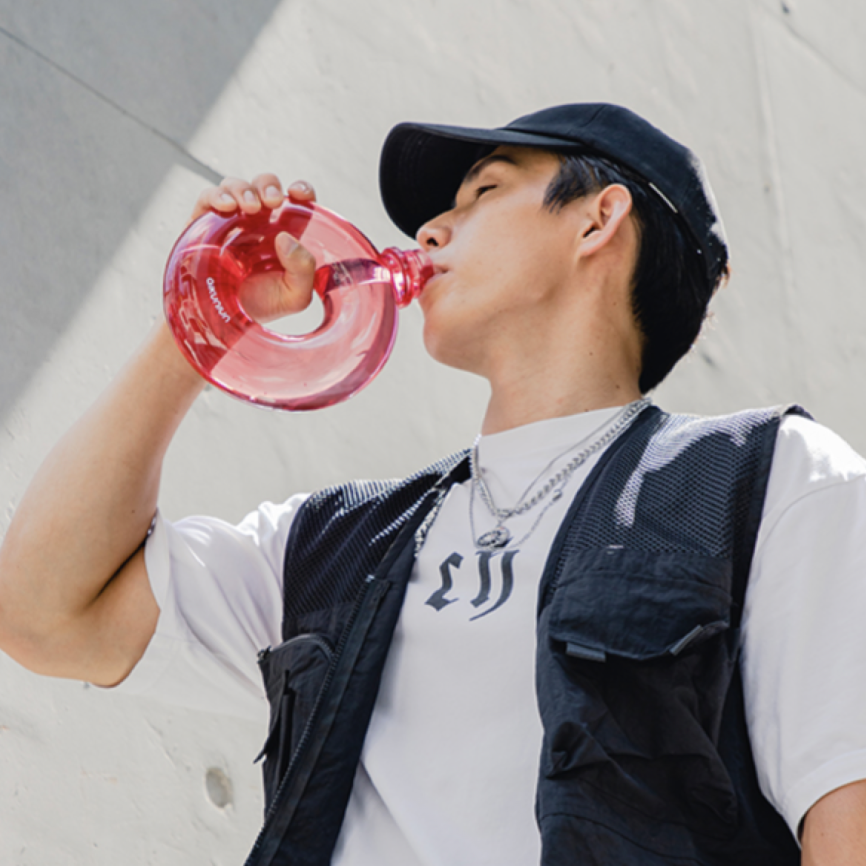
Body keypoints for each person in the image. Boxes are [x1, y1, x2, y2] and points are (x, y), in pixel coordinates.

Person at [0, 103, 864, 865]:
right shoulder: (333, 544)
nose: (429, 234)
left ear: (598, 220)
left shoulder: (768, 482)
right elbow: (45, 614)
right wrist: (205, 321)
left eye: (482, 192)